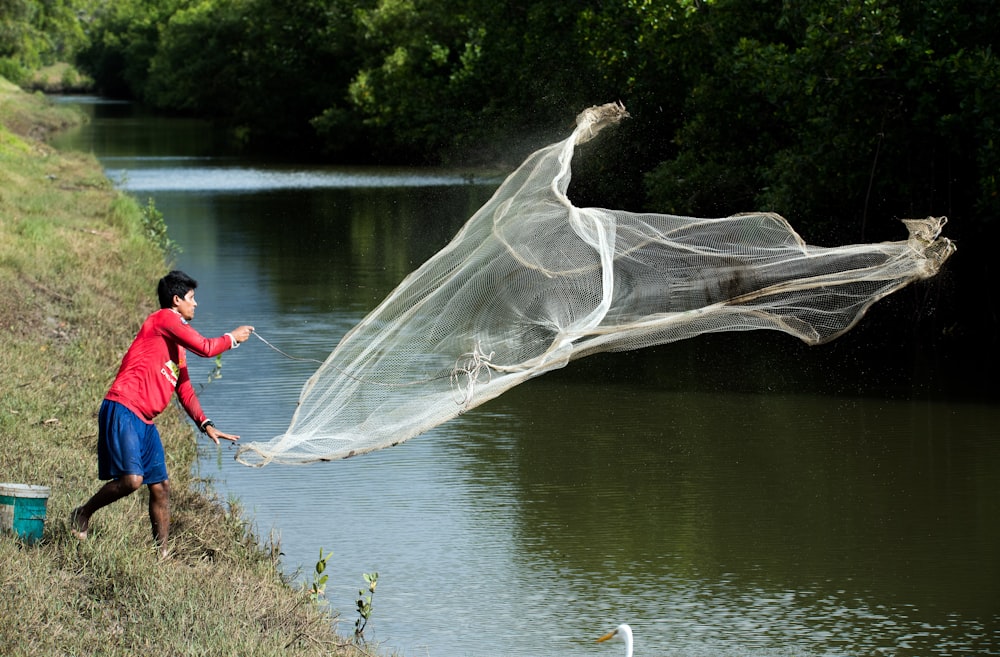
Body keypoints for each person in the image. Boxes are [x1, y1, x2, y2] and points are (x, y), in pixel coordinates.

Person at [71, 270, 254, 558]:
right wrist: (233, 338)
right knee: (132, 480)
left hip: (144, 421)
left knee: (160, 487)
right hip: (124, 408)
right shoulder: (164, 319)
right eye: (192, 299)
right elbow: (207, 348)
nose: (196, 304)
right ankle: (82, 513)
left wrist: (205, 423)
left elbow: (184, 389)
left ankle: (162, 556)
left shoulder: (176, 343)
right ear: (176, 299)